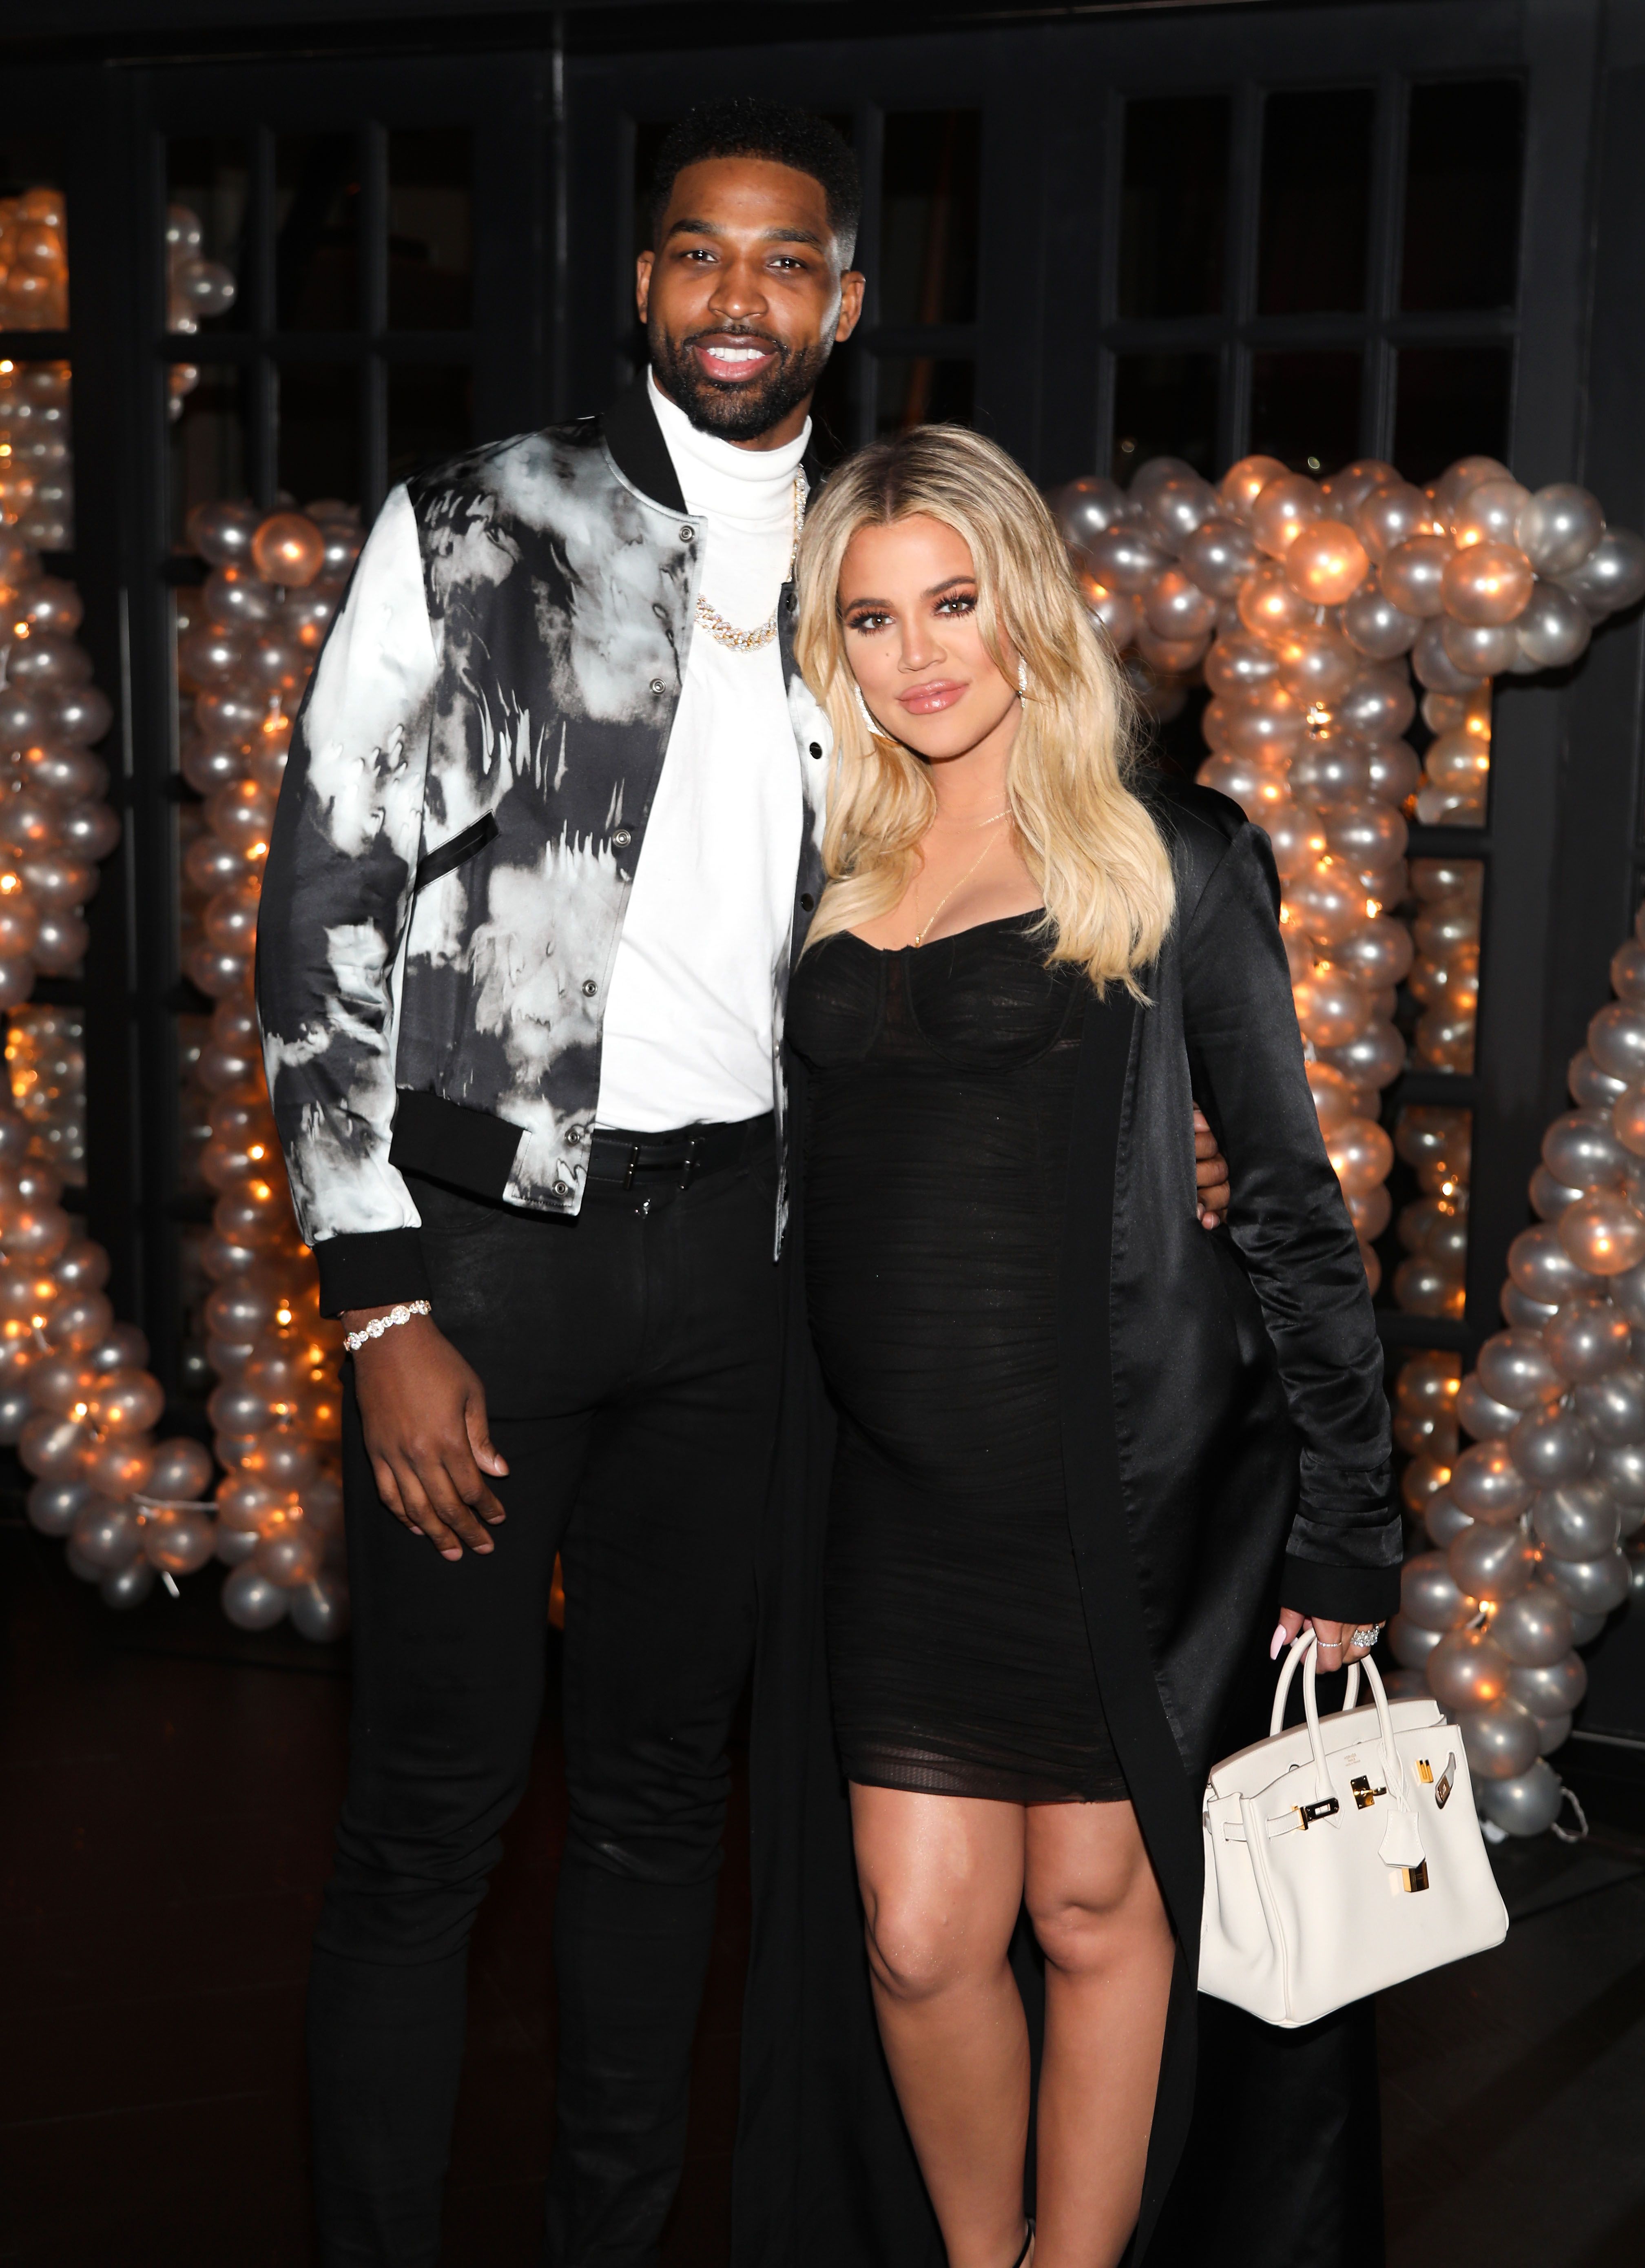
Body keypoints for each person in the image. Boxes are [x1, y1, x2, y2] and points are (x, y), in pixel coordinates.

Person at [255, 92, 1235, 2268]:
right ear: (644, 284)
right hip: (480, 1264)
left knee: (655, 1812)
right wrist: (376, 1292)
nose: (738, 295)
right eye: (699, 251)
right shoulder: (479, 519)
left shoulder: (865, 579)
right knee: (426, 1820)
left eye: (787, 260)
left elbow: (990, 879)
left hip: (745, 1279)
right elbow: (320, 902)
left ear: (843, 302)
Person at [757, 424, 1399, 2268]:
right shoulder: (825, 859)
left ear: (1026, 605)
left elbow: (1292, 1205)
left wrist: (1353, 1522)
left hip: (1113, 1491)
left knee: (1100, 1909)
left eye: (952, 602)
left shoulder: (1170, 858)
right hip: (892, 1501)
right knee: (917, 1936)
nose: (918, 654)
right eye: (871, 618)